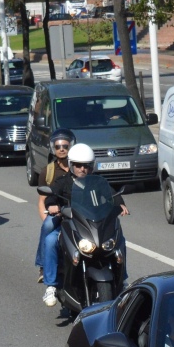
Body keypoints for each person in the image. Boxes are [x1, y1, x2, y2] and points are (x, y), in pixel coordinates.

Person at [40, 143, 129, 307]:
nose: (82, 169)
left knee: (118, 239)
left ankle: (123, 279)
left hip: (91, 224)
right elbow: (51, 196)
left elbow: (111, 193)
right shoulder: (63, 182)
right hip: (68, 223)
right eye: (78, 165)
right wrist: (52, 205)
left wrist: (120, 203)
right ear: (71, 165)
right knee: (51, 240)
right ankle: (51, 286)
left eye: (86, 166)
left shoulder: (97, 183)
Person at [34, 128, 74, 282]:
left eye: (65, 146)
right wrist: (47, 215)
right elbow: (42, 200)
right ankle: (43, 266)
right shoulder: (48, 171)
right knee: (47, 227)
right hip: (57, 212)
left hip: (78, 211)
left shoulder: (79, 167)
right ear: (53, 148)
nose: (62, 149)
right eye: (58, 147)